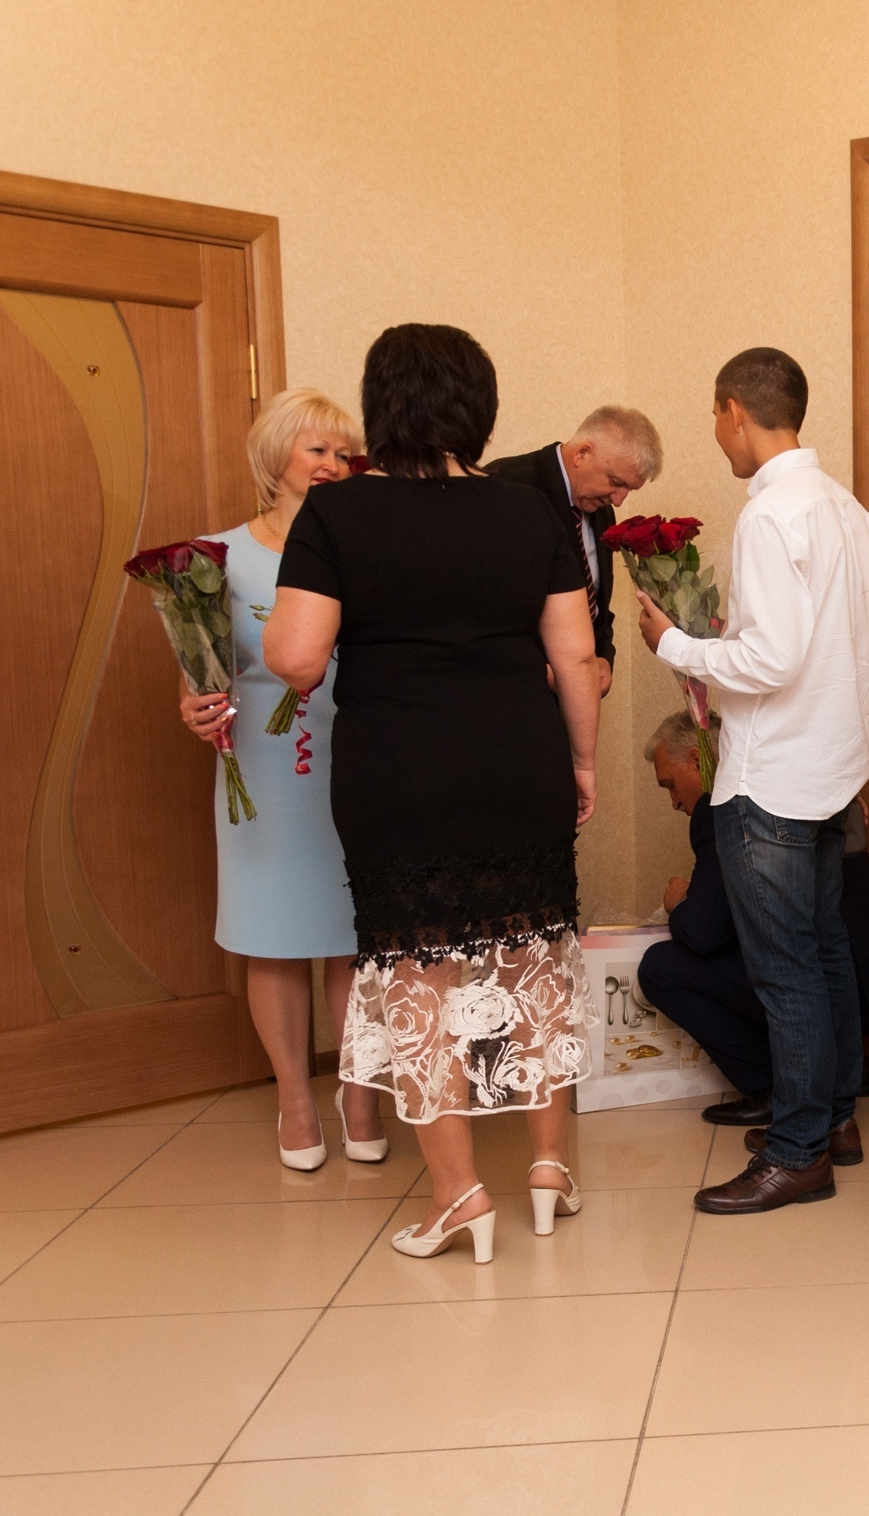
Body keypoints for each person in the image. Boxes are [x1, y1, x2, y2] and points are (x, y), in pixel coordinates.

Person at [265, 323, 599, 1265]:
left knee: (419, 977)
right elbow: (573, 651)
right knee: (533, 958)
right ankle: (550, 1169)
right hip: (516, 761)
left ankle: (459, 1196)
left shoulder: (334, 517)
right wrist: (580, 764)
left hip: (396, 770)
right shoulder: (530, 512)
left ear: (383, 408)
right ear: (477, 407)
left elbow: (296, 659)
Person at [635, 346, 869, 1217]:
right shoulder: (851, 514)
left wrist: (674, 643)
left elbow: (770, 658)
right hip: (836, 767)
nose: (716, 434)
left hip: (775, 777)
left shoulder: (773, 515)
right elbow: (837, 652)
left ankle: (797, 1152)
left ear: (736, 409)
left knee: (789, 974)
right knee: (825, 953)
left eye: (715, 417)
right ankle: (835, 1120)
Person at [178, 388, 388, 1170]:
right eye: (318, 450)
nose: (335, 464)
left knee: (353, 936)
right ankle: (294, 1100)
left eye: (345, 452)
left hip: (355, 758)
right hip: (264, 774)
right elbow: (196, 677)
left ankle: (359, 1091)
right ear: (276, 459)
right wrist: (196, 712)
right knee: (273, 936)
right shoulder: (217, 557)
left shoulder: (366, 545)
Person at [632, 710, 869, 1147]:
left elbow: (702, 932)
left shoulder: (728, 805)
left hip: (841, 991)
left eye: (670, 784)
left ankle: (779, 1088)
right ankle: (846, 1069)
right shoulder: (797, 781)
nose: (674, 802)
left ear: (699, 759)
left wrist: (680, 902)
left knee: (661, 966)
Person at [486, 406, 664, 693]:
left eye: (628, 490)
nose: (618, 501)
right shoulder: (505, 486)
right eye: (616, 483)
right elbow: (481, 610)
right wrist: (541, 671)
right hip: (511, 693)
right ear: (582, 453)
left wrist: (604, 657)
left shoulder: (598, 504)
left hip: (575, 695)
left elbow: (597, 606)